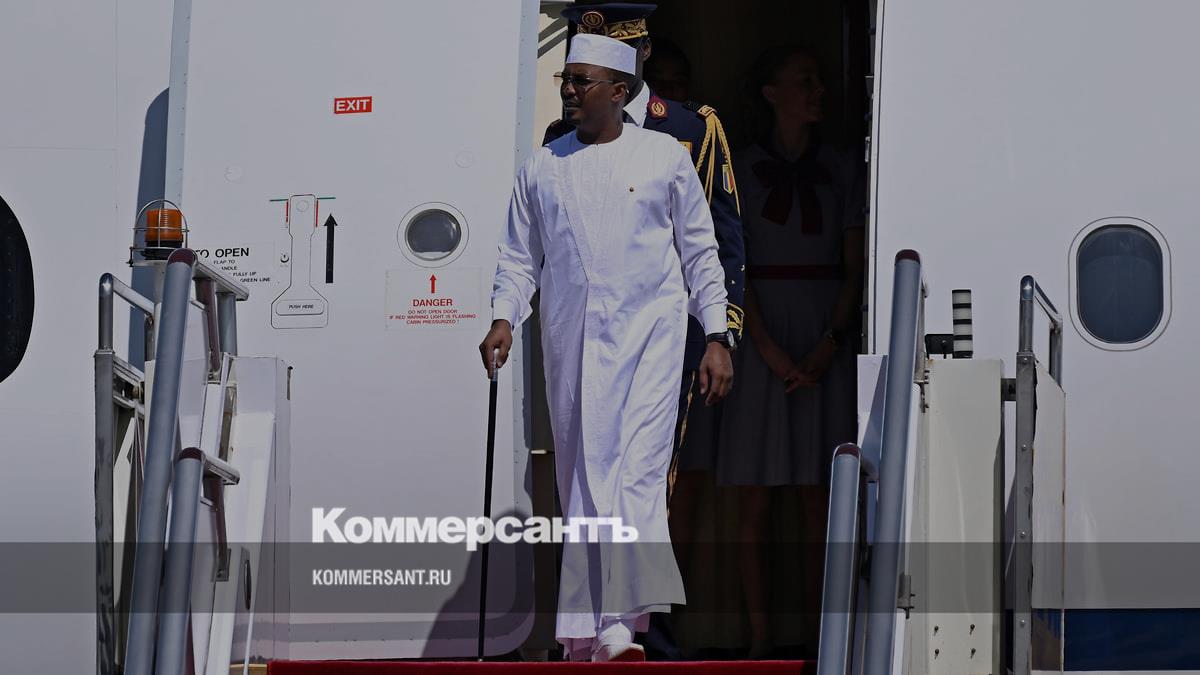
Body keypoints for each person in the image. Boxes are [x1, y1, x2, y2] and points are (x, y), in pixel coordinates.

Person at [479, 32, 733, 662]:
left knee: (637, 478)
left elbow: (701, 252)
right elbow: (518, 258)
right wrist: (504, 317)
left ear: (620, 91)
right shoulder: (543, 166)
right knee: (584, 482)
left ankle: (619, 628)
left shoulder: (664, 157)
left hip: (652, 341)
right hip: (572, 346)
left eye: (581, 81)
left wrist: (717, 335)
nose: (568, 91)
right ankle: (583, 636)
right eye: (565, 79)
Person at [715, 44, 865, 658]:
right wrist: (765, 348)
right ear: (772, 94)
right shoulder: (742, 168)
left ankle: (816, 639)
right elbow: (731, 264)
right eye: (805, 81)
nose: (818, 91)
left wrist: (830, 341)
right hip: (759, 333)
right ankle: (758, 639)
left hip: (825, 331)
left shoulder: (842, 168)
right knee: (755, 496)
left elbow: (855, 266)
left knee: (818, 498)